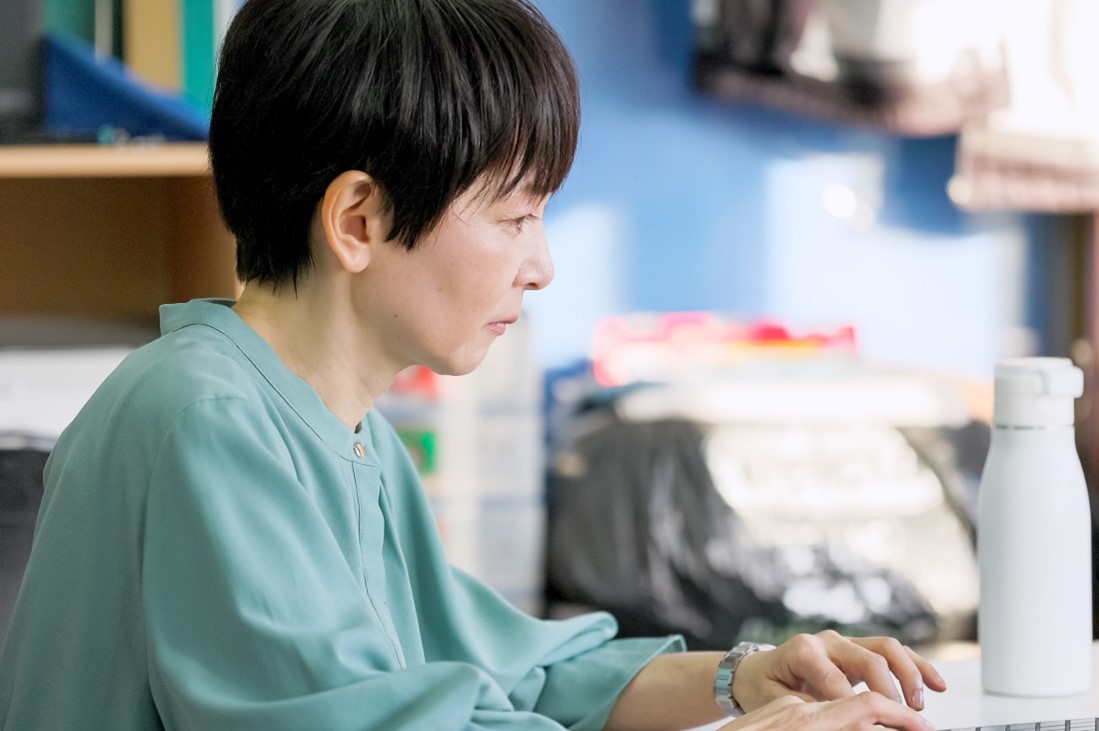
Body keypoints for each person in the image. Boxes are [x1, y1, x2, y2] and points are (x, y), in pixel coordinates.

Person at [0, 0, 946, 728]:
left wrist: (744, 677)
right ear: (359, 221)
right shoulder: (202, 422)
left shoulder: (342, 427)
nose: (540, 267)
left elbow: (512, 671)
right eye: (514, 215)